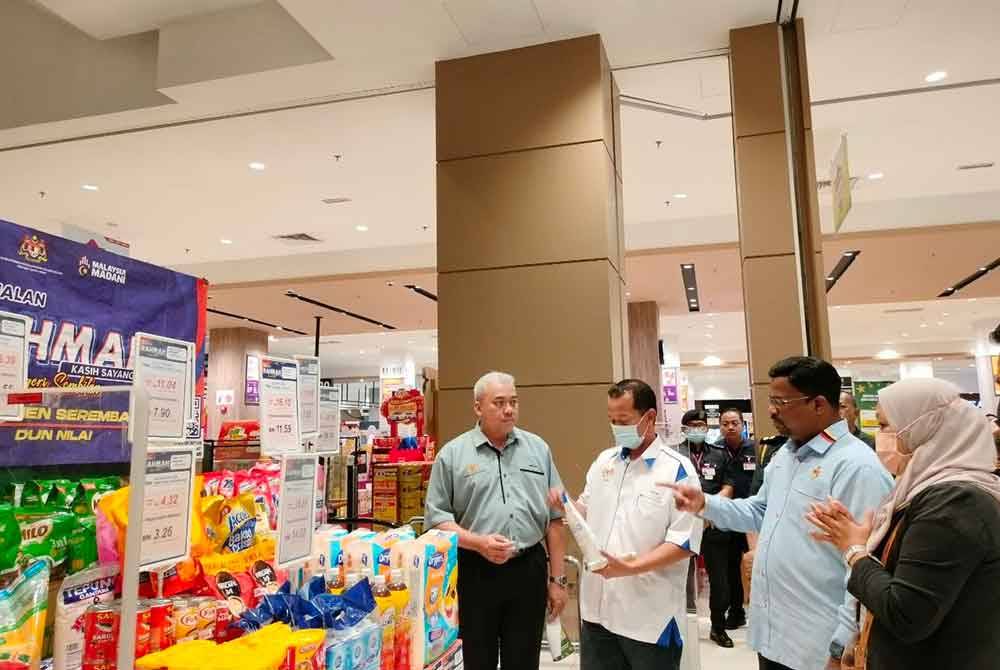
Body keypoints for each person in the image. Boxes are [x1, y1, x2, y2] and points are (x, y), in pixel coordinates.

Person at [662, 356, 893, 670]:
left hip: (821, 648)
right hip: (775, 636)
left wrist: (843, 645)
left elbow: (865, 562)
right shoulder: (786, 453)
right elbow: (760, 511)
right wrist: (704, 504)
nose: (771, 410)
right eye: (771, 400)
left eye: (781, 401)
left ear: (819, 404)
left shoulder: (857, 467)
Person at [806, 378, 1000, 670]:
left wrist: (855, 551)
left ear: (924, 428)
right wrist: (867, 541)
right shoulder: (929, 490)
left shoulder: (954, 502)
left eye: (885, 426)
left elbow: (906, 614)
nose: (881, 438)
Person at [550, 379, 703, 670]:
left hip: (649, 617)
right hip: (598, 612)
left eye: (623, 420)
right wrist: (566, 506)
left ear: (649, 418)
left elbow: (684, 543)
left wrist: (630, 567)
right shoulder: (604, 462)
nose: (617, 427)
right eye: (611, 420)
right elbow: (587, 509)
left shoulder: (677, 471)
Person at [425, 371, 568, 670]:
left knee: (524, 659)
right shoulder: (451, 455)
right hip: (474, 573)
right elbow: (437, 521)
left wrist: (558, 581)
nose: (509, 409)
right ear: (478, 407)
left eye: (513, 402)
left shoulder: (538, 449)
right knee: (478, 659)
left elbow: (556, 520)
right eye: (499, 402)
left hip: (528, 569)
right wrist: (478, 543)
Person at [716, 408, 755, 632]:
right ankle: (736, 611)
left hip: (752, 515)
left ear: (743, 424)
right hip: (728, 515)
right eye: (725, 423)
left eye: (734, 423)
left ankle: (758, 610)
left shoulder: (755, 448)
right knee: (731, 566)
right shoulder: (716, 450)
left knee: (757, 564)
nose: (730, 427)